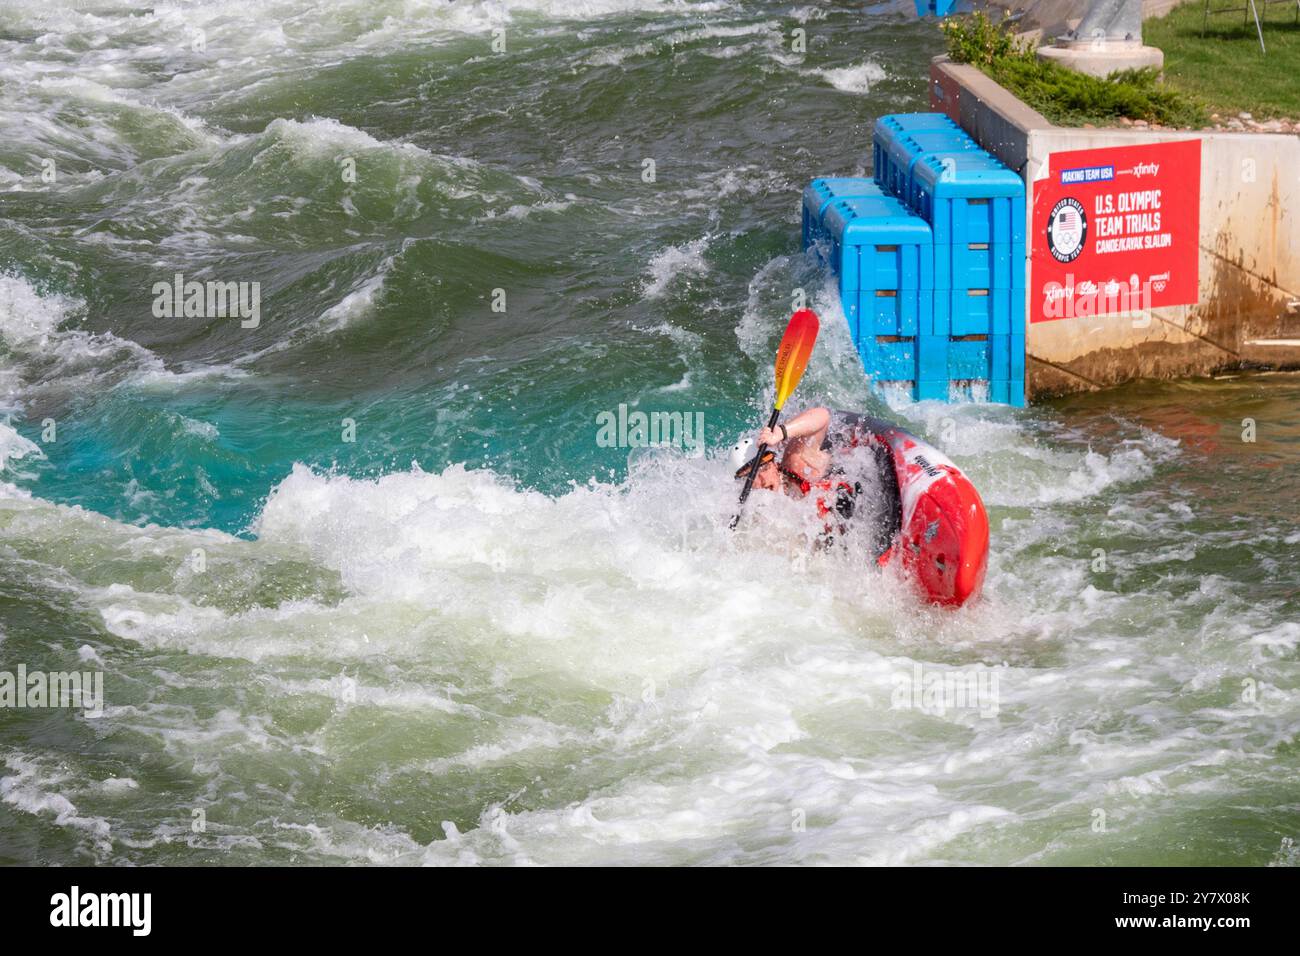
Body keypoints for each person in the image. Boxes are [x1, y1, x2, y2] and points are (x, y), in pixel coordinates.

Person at [731, 406, 902, 558]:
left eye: (763, 468)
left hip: (866, 501)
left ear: (774, 464)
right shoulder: (756, 513)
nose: (762, 480)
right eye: (751, 477)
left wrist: (781, 432)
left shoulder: (796, 463)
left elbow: (822, 416)